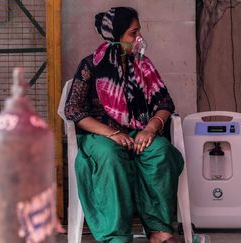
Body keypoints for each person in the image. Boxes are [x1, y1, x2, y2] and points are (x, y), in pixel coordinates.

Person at [64, 7, 183, 243]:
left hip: (138, 132)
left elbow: (165, 103)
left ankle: (159, 231)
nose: (139, 38)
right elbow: (74, 110)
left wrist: (151, 128)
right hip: (100, 136)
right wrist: (113, 134)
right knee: (110, 157)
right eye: (133, 33)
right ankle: (116, 236)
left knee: (160, 152)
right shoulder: (91, 66)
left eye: (139, 31)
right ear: (116, 36)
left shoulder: (143, 65)